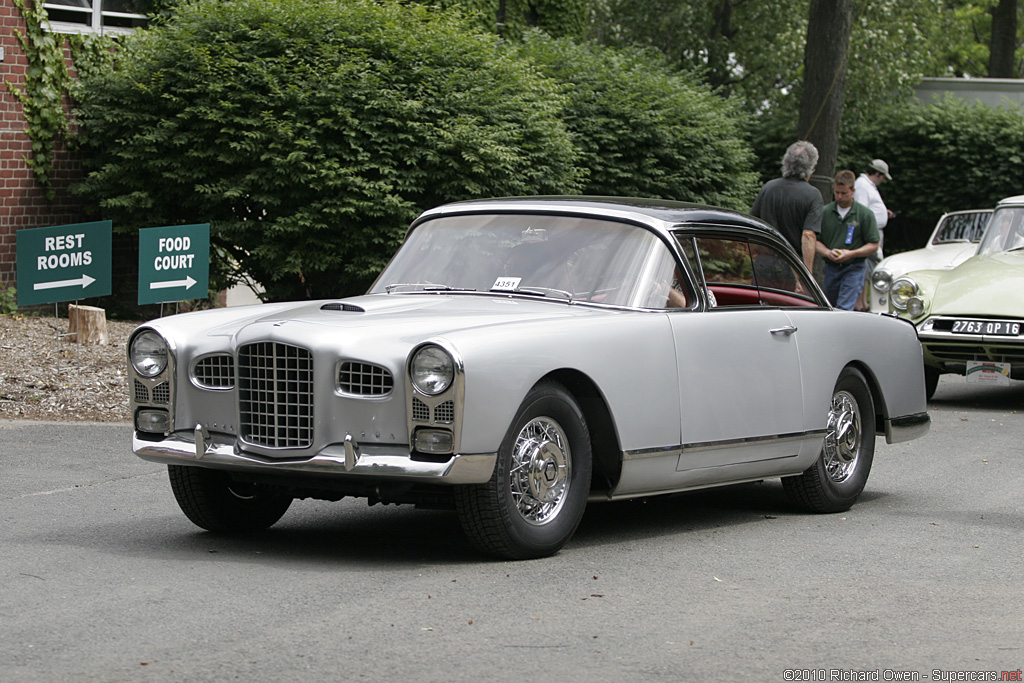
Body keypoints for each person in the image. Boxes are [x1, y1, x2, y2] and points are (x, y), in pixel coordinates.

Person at [751, 141, 824, 272]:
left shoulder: (769, 187)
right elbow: (808, 235)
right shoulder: (813, 195)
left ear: (786, 162)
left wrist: (752, 250)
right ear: (811, 167)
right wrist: (807, 275)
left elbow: (752, 224)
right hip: (793, 266)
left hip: (764, 263)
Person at [817, 170, 879, 310]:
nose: (839, 196)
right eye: (837, 192)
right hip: (831, 268)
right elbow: (815, 240)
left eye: (844, 193)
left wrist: (851, 253)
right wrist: (827, 252)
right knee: (828, 307)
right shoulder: (825, 212)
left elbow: (873, 244)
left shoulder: (864, 214)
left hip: (853, 267)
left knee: (845, 307)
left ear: (852, 191)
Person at [854, 159, 894, 310]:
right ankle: (862, 303)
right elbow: (862, 209)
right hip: (869, 232)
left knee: (869, 268)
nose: (882, 180)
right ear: (877, 174)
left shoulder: (868, 186)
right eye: (882, 177)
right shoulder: (862, 185)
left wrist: (884, 213)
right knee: (875, 265)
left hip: (875, 230)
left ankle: (863, 302)